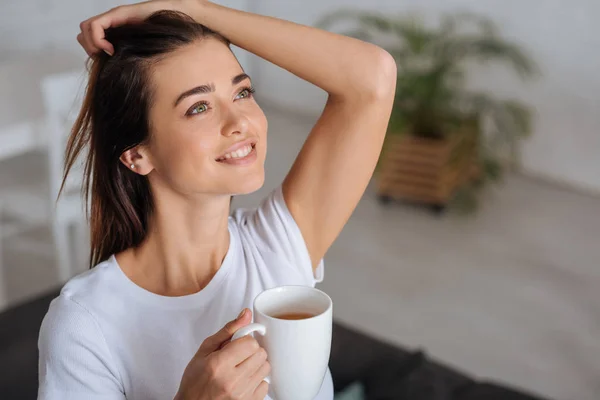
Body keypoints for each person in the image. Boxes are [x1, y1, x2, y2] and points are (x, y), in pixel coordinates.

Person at [37, 1, 396, 399]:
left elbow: (372, 78)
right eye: (199, 107)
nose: (240, 122)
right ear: (137, 155)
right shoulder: (85, 323)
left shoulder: (278, 243)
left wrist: (183, 8)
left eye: (242, 91)